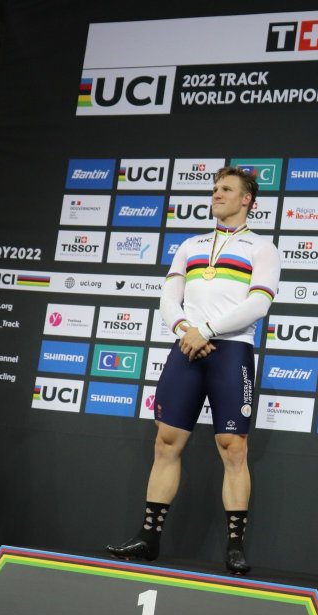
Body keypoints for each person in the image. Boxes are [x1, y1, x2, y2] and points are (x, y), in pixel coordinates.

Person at [107, 167, 280, 575]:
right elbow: (169, 298)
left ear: (247, 200)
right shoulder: (191, 245)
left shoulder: (262, 248)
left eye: (226, 189)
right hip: (186, 346)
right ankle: (148, 539)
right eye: (215, 188)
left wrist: (208, 330)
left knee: (233, 448)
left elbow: (259, 303)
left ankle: (235, 547)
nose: (216, 194)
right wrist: (187, 330)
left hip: (231, 350)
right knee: (166, 442)